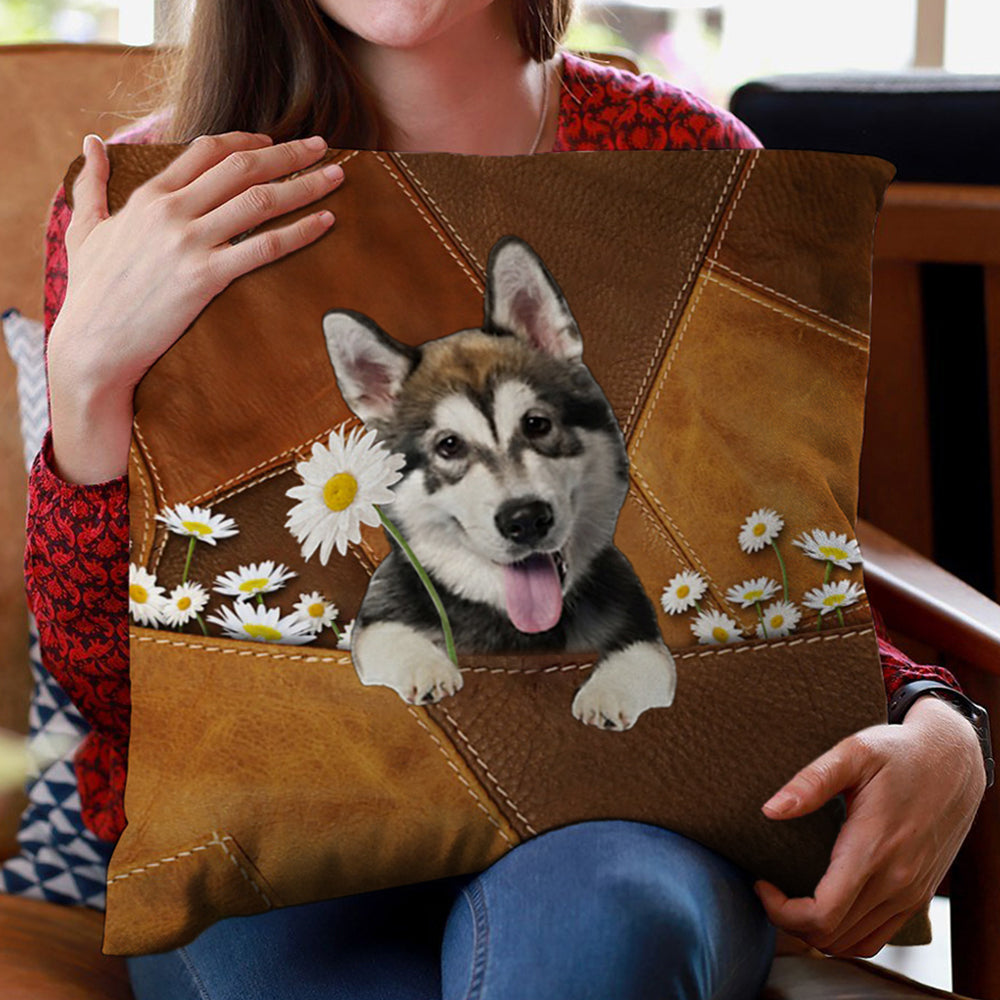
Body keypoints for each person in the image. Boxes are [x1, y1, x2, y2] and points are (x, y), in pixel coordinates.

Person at [24, 1, 987, 997]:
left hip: (622, 817)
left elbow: (759, 557)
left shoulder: (694, 166)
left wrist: (935, 713)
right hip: (269, 822)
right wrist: (88, 382)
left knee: (599, 930)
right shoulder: (153, 209)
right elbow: (106, 682)